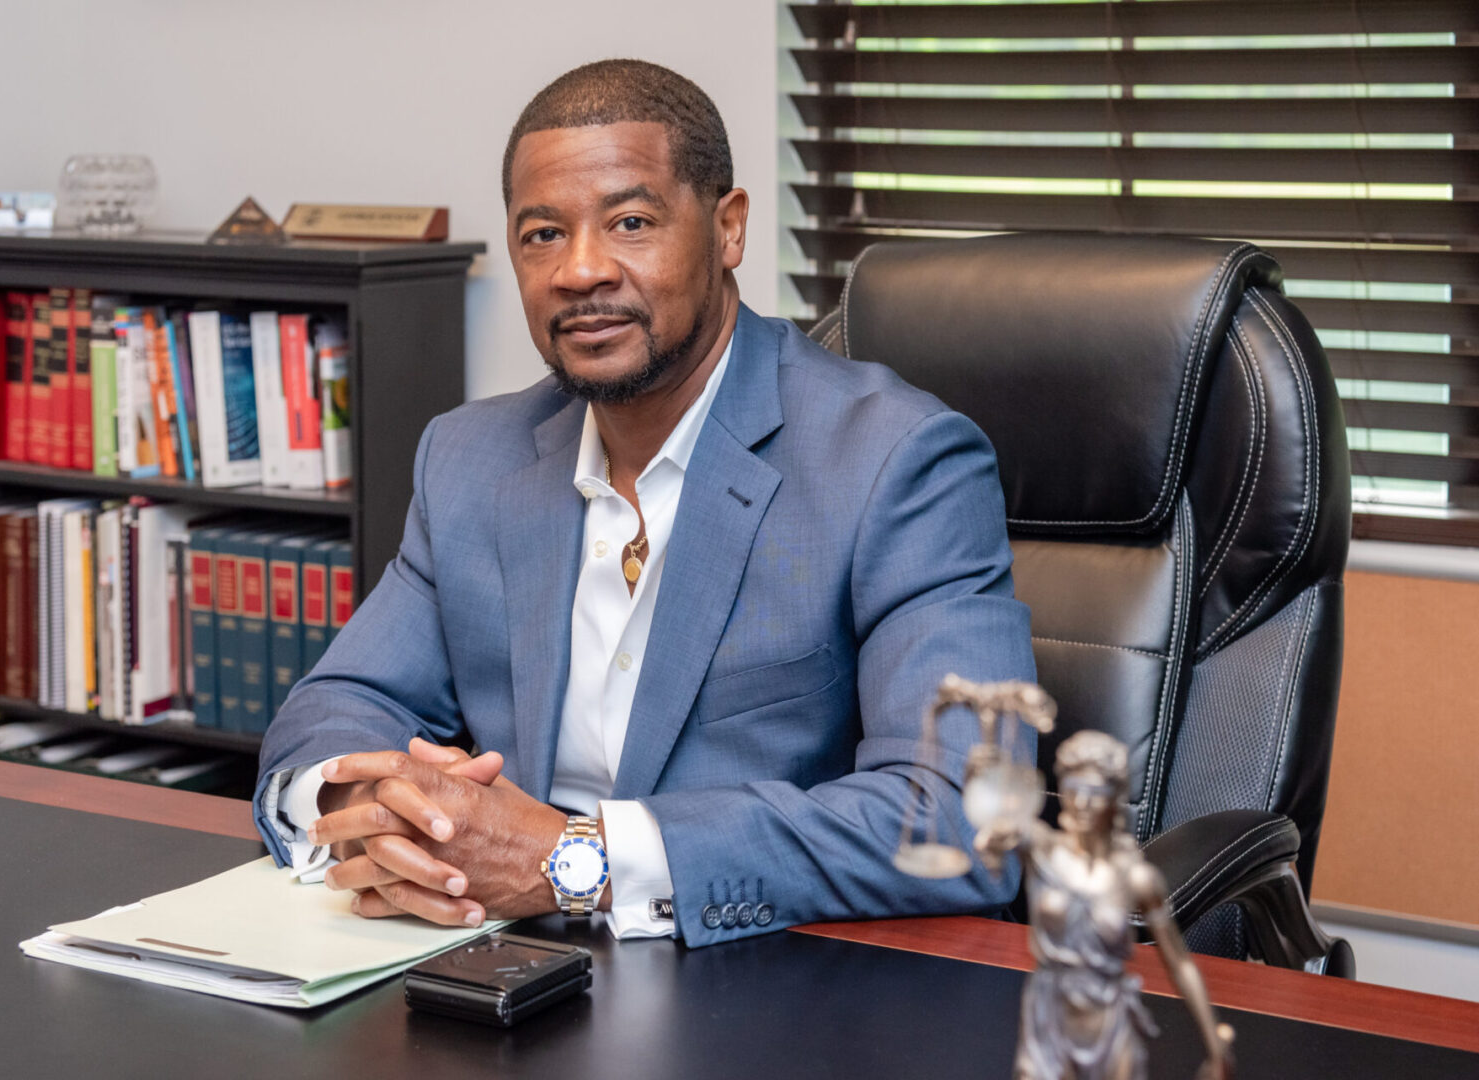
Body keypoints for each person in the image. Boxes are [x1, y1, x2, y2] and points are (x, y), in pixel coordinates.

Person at [253, 58, 1037, 947]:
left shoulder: (893, 461)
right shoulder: (469, 458)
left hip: (764, 974)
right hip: (502, 959)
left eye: (630, 222)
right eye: (542, 234)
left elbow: (959, 822)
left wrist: (573, 860)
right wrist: (373, 803)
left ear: (728, 227)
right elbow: (341, 703)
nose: (580, 271)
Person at [974, 731, 1235, 1080]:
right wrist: (982, 770)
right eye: (1072, 789)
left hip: (1106, 1019)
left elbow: (1180, 964)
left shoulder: (1135, 878)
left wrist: (1213, 1043)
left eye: (1094, 794)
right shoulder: (1041, 849)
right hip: (1050, 1013)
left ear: (1114, 798)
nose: (1080, 803)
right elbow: (991, 820)